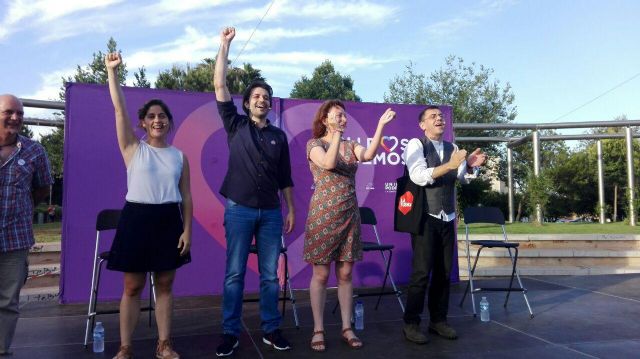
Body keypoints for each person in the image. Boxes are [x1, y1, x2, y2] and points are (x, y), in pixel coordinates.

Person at [213, 27, 295, 357]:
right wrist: (224, 46)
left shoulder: (279, 136)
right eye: (256, 96)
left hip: (272, 213)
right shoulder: (235, 125)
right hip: (239, 210)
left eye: (266, 97)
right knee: (234, 275)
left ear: (270, 105)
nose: (261, 100)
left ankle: (271, 329)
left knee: (270, 278)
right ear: (247, 103)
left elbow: (286, 177)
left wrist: (290, 209)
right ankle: (230, 333)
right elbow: (220, 84)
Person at [105, 52, 193, 359]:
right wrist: (113, 73)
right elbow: (118, 110)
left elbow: (187, 197)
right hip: (137, 219)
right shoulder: (132, 147)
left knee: (165, 285)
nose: (158, 120)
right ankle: (125, 347)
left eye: (163, 116)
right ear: (143, 122)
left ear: (168, 122)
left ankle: (164, 344)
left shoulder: (179, 156)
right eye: (152, 116)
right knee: (132, 287)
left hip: (169, 219)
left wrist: (187, 231)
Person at [304, 100, 396, 352]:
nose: (343, 119)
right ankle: (318, 329)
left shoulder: (350, 145)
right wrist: (334, 136)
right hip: (323, 215)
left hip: (349, 215)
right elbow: (328, 163)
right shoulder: (315, 144)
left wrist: (380, 126)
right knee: (321, 275)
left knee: (345, 274)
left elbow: (368, 155)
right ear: (325, 119)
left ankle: (347, 327)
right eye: (338, 116)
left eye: (344, 116)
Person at [401, 105, 486, 344]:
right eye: (432, 116)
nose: (439, 118)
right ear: (423, 125)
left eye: (440, 116)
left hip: (447, 217)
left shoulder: (453, 148)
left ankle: (438, 321)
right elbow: (418, 176)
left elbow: (462, 179)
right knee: (420, 274)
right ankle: (411, 323)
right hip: (425, 217)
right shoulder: (416, 145)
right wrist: (450, 165)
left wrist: (469, 165)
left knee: (443, 272)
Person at [0, 94, 53, 356]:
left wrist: (21, 206)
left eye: (19, 113)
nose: (15, 117)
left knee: (8, 301)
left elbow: (42, 188)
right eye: (9, 112)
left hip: (15, 238)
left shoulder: (34, 151)